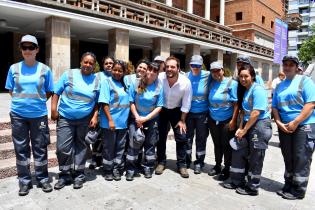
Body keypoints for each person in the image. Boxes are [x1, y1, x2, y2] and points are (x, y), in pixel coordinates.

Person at [5, 35, 54, 196]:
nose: (27, 50)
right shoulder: (14, 68)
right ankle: (24, 182)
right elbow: (11, 90)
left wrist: (37, 102)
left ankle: (42, 179)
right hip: (18, 115)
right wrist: (22, 103)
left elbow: (49, 91)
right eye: (24, 47)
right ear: (21, 49)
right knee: (21, 149)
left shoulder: (45, 69)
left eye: (31, 47)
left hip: (38, 115)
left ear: (37, 49)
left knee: (40, 148)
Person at [51, 52, 99, 190]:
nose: (88, 65)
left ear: (94, 65)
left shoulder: (96, 80)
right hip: (65, 117)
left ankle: (79, 174)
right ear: (81, 62)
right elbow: (56, 92)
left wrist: (95, 116)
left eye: (91, 63)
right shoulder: (69, 74)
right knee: (62, 148)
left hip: (85, 120)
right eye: (85, 62)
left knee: (82, 147)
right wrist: (53, 110)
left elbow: (96, 102)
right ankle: (65, 174)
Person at [223, 64, 272, 196]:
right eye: (241, 76)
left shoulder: (258, 90)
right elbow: (244, 112)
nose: (243, 79)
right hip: (247, 124)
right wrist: (240, 129)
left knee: (255, 157)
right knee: (238, 151)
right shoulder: (246, 90)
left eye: (246, 76)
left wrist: (244, 130)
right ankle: (236, 180)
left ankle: (252, 186)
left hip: (259, 125)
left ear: (253, 77)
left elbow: (256, 113)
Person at [272, 56, 315, 200]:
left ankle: (298, 190)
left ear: (297, 67)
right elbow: (275, 108)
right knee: (288, 157)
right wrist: (278, 123)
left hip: (303, 125)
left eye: (291, 65)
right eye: (285, 64)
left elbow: (310, 104)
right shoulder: (279, 86)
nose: (287, 67)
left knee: (301, 158)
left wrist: (295, 122)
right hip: (284, 126)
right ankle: (288, 184)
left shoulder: (305, 81)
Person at [125, 62, 163, 181]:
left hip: (151, 120)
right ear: (146, 70)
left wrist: (146, 118)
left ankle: (148, 167)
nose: (151, 73)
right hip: (135, 118)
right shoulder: (136, 83)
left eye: (154, 71)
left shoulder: (159, 86)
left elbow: (159, 106)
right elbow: (131, 101)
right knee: (134, 143)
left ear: (157, 74)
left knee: (150, 144)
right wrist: (137, 117)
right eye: (149, 70)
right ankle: (131, 169)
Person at [156, 56, 192, 178]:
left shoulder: (185, 82)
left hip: (177, 111)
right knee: (160, 137)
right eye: (167, 67)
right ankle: (161, 162)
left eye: (172, 67)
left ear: (178, 68)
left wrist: (182, 120)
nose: (169, 69)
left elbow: (187, 103)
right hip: (162, 110)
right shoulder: (160, 77)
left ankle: (182, 165)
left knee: (181, 137)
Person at [99, 60, 130, 181]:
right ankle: (107, 169)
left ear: (124, 72)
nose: (117, 72)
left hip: (122, 123)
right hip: (109, 122)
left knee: (120, 148)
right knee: (108, 148)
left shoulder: (125, 84)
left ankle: (117, 169)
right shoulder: (107, 82)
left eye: (120, 70)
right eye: (115, 70)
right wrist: (111, 120)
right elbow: (104, 102)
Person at [208, 61, 239, 181]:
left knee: (226, 145)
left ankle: (227, 168)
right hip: (213, 119)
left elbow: (236, 104)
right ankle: (217, 165)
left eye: (217, 70)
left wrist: (233, 120)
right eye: (213, 71)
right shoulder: (212, 84)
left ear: (222, 70)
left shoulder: (232, 83)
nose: (216, 73)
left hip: (227, 119)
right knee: (217, 144)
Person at [185, 55, 210, 174]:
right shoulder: (185, 76)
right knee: (188, 138)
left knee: (201, 139)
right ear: (190, 65)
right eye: (193, 65)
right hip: (189, 113)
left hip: (202, 114)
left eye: (198, 66)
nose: (195, 68)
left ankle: (199, 162)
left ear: (202, 66)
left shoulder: (208, 75)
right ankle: (186, 160)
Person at [89, 55, 115, 170]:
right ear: (103, 65)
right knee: (96, 136)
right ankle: (95, 159)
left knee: (107, 137)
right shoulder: (97, 76)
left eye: (111, 63)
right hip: (98, 110)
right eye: (106, 63)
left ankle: (106, 158)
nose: (109, 65)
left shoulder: (118, 76)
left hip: (112, 111)